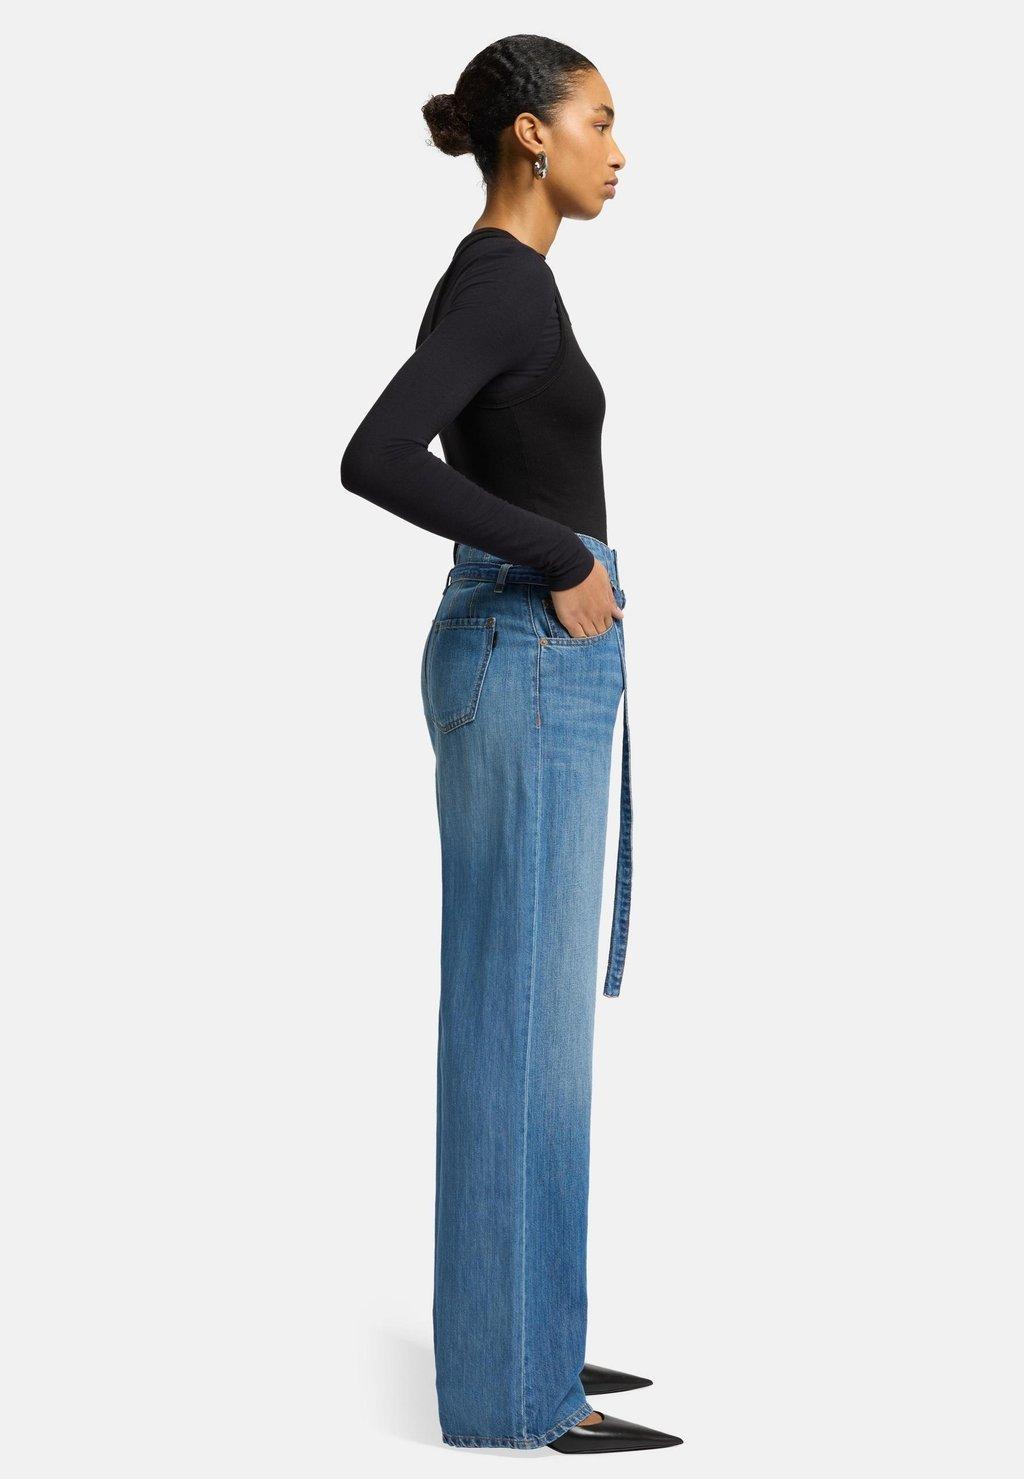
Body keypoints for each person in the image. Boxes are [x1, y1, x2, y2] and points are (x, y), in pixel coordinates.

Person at [340, 34, 681, 1456]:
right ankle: (513, 1391)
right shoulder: (502, 282)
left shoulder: (512, 283)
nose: (620, 148)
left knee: (537, 1036)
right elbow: (375, 455)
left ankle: (528, 1337)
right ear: (531, 134)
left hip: (533, 655)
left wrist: (557, 568)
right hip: (524, 648)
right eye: (599, 119)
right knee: (520, 1032)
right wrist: (558, 556)